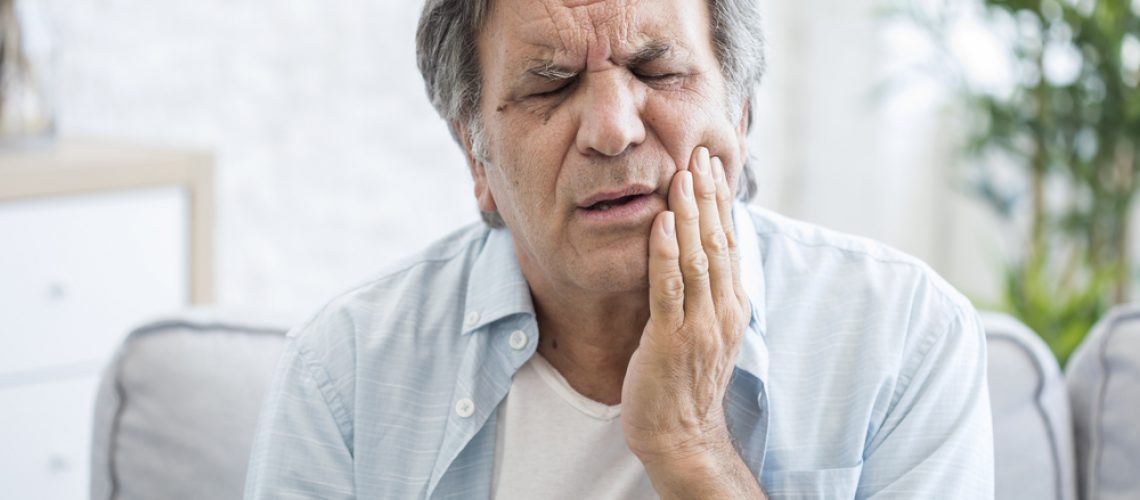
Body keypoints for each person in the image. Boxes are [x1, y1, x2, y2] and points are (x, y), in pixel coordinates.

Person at [244, 0, 994, 498]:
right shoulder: (342, 372)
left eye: (658, 70)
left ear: (739, 111)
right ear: (477, 160)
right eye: (550, 85)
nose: (612, 128)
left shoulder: (904, 338)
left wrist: (693, 448)